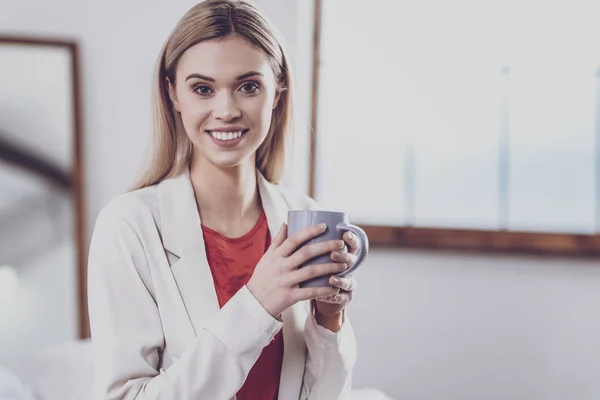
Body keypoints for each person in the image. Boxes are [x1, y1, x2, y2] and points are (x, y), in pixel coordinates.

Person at [87, 1, 359, 399]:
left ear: (278, 90)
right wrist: (257, 305)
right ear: (173, 93)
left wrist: (329, 321)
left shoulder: (299, 214)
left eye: (248, 86)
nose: (227, 110)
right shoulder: (129, 226)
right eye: (203, 89)